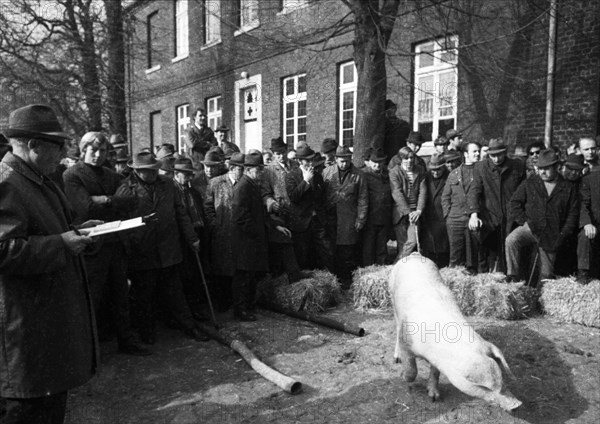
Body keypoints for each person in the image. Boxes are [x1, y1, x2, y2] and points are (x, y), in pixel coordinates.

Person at [1, 104, 99, 423]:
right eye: (58, 146)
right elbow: (4, 250)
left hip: (43, 332)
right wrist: (62, 243)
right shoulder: (7, 183)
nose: (63, 153)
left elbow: (40, 231)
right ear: (34, 145)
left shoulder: (35, 178)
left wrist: (75, 232)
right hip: (25, 340)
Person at [63, 131, 151, 356]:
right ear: (83, 150)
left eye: (103, 151)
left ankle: (126, 340)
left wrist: (102, 199)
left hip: (116, 243)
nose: (98, 155)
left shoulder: (110, 174)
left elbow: (131, 200)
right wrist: (113, 200)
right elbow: (85, 208)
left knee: (120, 294)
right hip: (92, 245)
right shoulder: (72, 175)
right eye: (94, 150)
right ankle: (88, 348)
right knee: (92, 297)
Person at [116, 151, 209, 344]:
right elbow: (121, 222)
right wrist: (130, 245)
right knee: (144, 294)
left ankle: (189, 327)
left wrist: (192, 238)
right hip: (142, 250)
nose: (151, 175)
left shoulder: (167, 184)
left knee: (175, 291)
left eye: (153, 170)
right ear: (136, 171)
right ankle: (146, 333)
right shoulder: (125, 188)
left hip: (168, 247)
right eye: (146, 171)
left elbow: (180, 212)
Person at [506, 150, 579, 284]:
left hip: (552, 234)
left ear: (557, 167)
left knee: (546, 275)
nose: (543, 172)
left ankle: (542, 295)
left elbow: (572, 216)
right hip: (531, 228)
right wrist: (524, 222)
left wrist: (562, 234)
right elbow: (514, 203)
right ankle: (513, 278)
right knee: (511, 240)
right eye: (540, 169)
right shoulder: (531, 182)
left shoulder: (568, 187)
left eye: (546, 168)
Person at [468, 138, 526, 273]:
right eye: (492, 155)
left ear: (505, 152)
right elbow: (474, 191)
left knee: (510, 252)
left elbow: (524, 192)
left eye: (499, 155)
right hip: (491, 217)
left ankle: (511, 280)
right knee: (488, 251)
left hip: (512, 217)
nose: (496, 159)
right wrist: (474, 214)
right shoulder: (480, 167)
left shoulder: (517, 166)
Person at [232, 150, 273, 321]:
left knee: (249, 276)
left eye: (262, 169)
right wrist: (255, 233)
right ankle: (241, 310)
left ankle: (248, 306)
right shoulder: (243, 186)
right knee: (244, 276)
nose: (261, 173)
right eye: (258, 169)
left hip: (251, 239)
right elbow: (240, 215)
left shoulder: (251, 184)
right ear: (248, 169)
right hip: (245, 240)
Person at [323, 146, 368, 289]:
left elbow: (363, 198)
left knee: (347, 250)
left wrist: (361, 219)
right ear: (336, 159)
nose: (344, 164)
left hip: (348, 217)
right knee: (330, 249)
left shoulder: (358, 175)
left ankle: (346, 280)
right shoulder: (327, 172)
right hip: (330, 217)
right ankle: (333, 280)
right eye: (342, 161)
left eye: (347, 160)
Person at [204, 152, 245, 311]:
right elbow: (207, 207)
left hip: (239, 234)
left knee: (238, 269)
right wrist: (215, 225)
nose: (241, 172)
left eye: (243, 169)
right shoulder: (216, 183)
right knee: (220, 268)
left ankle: (237, 302)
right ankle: (222, 302)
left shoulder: (245, 184)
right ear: (232, 168)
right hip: (221, 233)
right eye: (239, 169)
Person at [171, 157, 209, 321]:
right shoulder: (172, 191)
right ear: (176, 174)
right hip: (181, 240)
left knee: (196, 275)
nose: (188, 178)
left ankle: (197, 309)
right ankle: (187, 313)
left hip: (197, 235)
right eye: (185, 175)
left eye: (189, 175)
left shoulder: (192, 191)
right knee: (185, 276)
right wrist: (190, 238)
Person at [285, 144, 334, 271]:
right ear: (300, 161)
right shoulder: (291, 176)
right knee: (303, 254)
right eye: (307, 160)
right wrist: (305, 181)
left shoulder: (317, 176)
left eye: (311, 160)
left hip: (317, 220)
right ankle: (305, 284)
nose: (310, 163)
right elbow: (294, 197)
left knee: (326, 250)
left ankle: (330, 279)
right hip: (301, 222)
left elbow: (321, 198)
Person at [261, 137, 304, 282]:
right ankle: (283, 280)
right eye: (277, 153)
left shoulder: (295, 165)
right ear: (273, 154)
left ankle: (298, 279)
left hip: (297, 211)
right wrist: (271, 202)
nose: (281, 155)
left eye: (283, 152)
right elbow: (265, 192)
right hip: (280, 214)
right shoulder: (268, 171)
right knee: (283, 247)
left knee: (298, 245)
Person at [442, 141, 482, 272]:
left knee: (474, 256)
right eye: (474, 151)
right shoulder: (454, 173)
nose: (477, 153)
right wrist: (448, 216)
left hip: (474, 219)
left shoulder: (481, 171)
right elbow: (445, 197)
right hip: (455, 219)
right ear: (466, 154)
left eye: (478, 151)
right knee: (455, 256)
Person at [389, 146, 427, 260]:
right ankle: (398, 269)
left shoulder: (419, 170)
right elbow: (397, 192)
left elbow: (423, 192)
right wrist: (408, 212)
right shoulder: (394, 172)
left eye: (411, 158)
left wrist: (419, 210)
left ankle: (396, 265)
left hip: (415, 212)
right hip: (400, 213)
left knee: (412, 241)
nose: (409, 161)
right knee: (402, 244)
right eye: (406, 158)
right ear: (401, 159)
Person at [361, 147, 392, 266]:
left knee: (382, 247)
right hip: (369, 218)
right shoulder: (364, 175)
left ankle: (381, 269)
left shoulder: (387, 175)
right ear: (370, 162)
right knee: (368, 247)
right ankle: (367, 270)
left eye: (380, 162)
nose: (377, 165)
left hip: (384, 216)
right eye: (375, 162)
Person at [422, 153, 449, 267]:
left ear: (443, 167)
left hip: (443, 217)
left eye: (438, 170)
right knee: (429, 247)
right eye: (433, 170)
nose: (435, 172)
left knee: (444, 247)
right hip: (429, 217)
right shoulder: (425, 177)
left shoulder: (449, 177)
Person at [577, 163, 600, 283]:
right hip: (596, 225)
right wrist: (587, 223)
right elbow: (583, 205)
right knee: (585, 236)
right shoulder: (589, 179)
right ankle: (583, 275)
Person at [383, 99, 410, 164]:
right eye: (389, 110)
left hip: (399, 155)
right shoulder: (381, 125)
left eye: (393, 109)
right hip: (385, 157)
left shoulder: (403, 125)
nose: (391, 112)